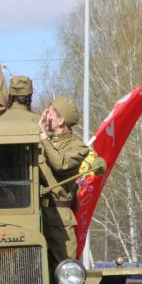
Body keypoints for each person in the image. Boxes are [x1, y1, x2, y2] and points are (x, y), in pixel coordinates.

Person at [38, 98, 89, 273]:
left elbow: (61, 164)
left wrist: (43, 136)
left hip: (59, 217)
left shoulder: (78, 147)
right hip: (37, 213)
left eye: (50, 113)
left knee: (65, 269)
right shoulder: (44, 141)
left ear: (61, 121)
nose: (45, 115)